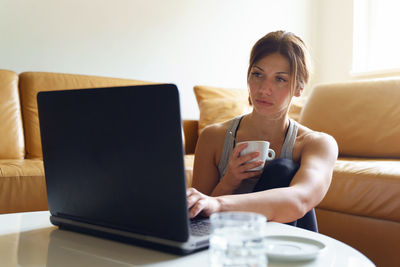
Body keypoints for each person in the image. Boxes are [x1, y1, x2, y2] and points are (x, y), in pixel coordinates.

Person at [186, 30, 338, 232]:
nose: (264, 89)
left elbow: (300, 200)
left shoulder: (316, 144)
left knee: (283, 169)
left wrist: (220, 204)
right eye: (258, 75)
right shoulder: (213, 137)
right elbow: (199, 213)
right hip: (228, 239)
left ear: (299, 88)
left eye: (280, 79)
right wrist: (229, 182)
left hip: (285, 245)